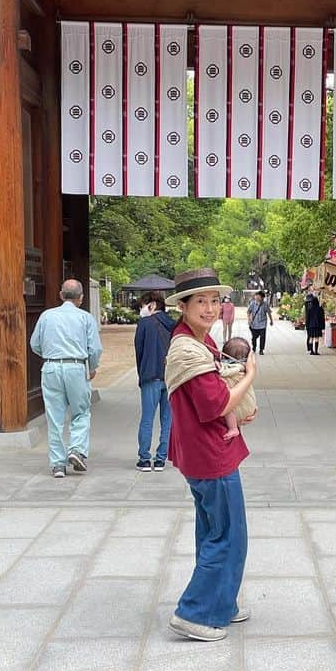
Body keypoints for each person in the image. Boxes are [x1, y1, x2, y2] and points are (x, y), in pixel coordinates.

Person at [164, 267, 257, 641]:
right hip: (210, 454)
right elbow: (214, 405)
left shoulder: (198, 343)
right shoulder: (188, 349)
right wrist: (250, 375)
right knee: (228, 534)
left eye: (214, 300)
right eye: (200, 301)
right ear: (183, 306)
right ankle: (196, 613)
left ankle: (222, 602)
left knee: (213, 529)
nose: (209, 308)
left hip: (203, 453)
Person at [29, 279, 102, 478]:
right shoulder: (86, 318)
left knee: (54, 417)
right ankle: (76, 450)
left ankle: (57, 464)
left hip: (52, 366)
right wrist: (92, 367)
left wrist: (50, 353)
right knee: (81, 411)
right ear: (81, 298)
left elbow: (34, 344)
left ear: (61, 295)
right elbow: (94, 348)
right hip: (76, 367)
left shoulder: (46, 316)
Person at [134, 291, 174, 471]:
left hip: (150, 375)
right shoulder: (173, 324)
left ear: (151, 305)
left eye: (143, 306)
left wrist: (141, 375)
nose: (141, 310)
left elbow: (139, 351)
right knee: (167, 419)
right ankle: (161, 459)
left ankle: (144, 458)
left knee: (147, 419)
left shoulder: (144, 324)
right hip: (171, 377)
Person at [219, 336, 259, 440]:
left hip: (235, 410)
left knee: (228, 408)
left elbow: (222, 373)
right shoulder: (247, 368)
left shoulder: (226, 368)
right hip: (250, 407)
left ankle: (233, 428)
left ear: (223, 356)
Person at [247, 289, 271, 355]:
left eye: (259, 296)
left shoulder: (265, 304)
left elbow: (268, 312)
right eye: (256, 296)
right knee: (254, 337)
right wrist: (249, 319)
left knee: (262, 337)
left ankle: (261, 349)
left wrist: (271, 320)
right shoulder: (252, 303)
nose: (257, 297)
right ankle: (254, 347)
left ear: (262, 297)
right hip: (254, 324)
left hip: (263, 323)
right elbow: (248, 312)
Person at [303, 290, 325, 355]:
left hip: (311, 326)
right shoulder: (320, 309)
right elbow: (322, 318)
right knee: (317, 338)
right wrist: (323, 326)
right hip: (318, 326)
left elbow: (308, 318)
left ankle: (311, 351)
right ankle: (316, 351)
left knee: (311, 338)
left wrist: (307, 325)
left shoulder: (309, 309)